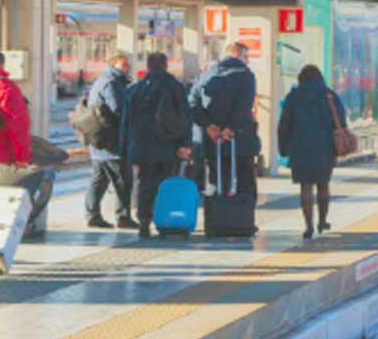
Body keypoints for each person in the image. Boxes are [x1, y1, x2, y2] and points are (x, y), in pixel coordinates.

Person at [118, 51, 192, 237]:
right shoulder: (175, 87)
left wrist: (124, 148)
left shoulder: (136, 89)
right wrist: (185, 144)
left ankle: (144, 219)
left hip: (142, 147)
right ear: (166, 66)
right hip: (168, 145)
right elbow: (185, 118)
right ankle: (164, 220)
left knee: (144, 183)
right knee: (166, 183)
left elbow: (126, 122)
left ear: (148, 67)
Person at [277, 64, 345, 239]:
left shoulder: (294, 96)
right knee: (323, 185)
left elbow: (284, 125)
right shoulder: (330, 95)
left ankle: (308, 226)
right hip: (325, 147)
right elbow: (341, 121)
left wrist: (283, 149)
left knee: (305, 186)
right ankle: (322, 221)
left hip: (300, 147)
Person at [189, 42, 259, 197]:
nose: (247, 62)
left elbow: (192, 102)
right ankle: (242, 219)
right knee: (244, 182)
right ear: (239, 55)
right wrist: (230, 129)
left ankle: (216, 217)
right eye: (246, 57)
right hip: (239, 139)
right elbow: (244, 106)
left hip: (211, 140)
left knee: (216, 180)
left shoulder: (205, 75)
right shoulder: (245, 75)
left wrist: (208, 126)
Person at [83, 53, 135, 229]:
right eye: (124, 65)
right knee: (123, 180)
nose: (127, 68)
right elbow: (119, 111)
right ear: (114, 65)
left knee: (98, 180)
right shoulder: (112, 83)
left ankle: (92, 215)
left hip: (100, 141)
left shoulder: (101, 80)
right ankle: (123, 217)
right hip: (112, 142)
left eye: (128, 65)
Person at [0, 51, 32, 169]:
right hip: (0, 159)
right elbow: (19, 126)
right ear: (2, 65)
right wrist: (22, 158)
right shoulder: (6, 89)